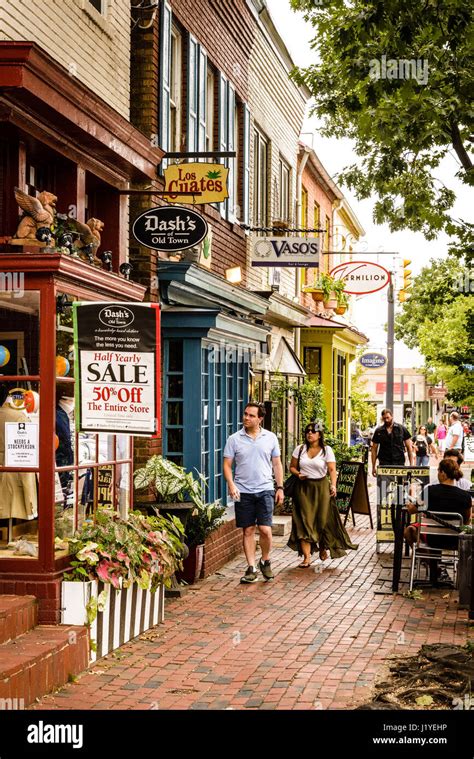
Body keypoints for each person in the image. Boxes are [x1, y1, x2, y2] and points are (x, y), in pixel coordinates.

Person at [223, 402, 283, 584]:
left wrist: (279, 487)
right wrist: (232, 485)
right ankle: (251, 568)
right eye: (245, 414)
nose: (246, 418)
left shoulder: (270, 438)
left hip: (265, 488)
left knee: (265, 530)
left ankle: (265, 560)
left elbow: (277, 464)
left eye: (251, 415)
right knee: (248, 529)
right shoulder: (234, 439)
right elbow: (227, 465)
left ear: (260, 419)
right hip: (243, 491)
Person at [287, 422, 357, 567]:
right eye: (307, 431)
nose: (309, 434)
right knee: (303, 521)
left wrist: (333, 485)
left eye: (313, 431)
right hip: (303, 488)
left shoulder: (326, 450)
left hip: (321, 488)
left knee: (322, 520)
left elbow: (332, 469)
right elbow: (292, 467)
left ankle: (323, 547)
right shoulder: (300, 449)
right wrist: (298, 474)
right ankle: (306, 558)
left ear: (319, 435)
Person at [371, 409, 415, 476]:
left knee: (399, 485)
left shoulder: (401, 429)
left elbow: (409, 448)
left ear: (392, 416)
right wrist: (373, 467)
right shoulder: (379, 431)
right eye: (384, 418)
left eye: (388, 417)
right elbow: (374, 449)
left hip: (399, 463)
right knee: (383, 485)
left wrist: (411, 465)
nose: (386, 420)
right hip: (384, 464)